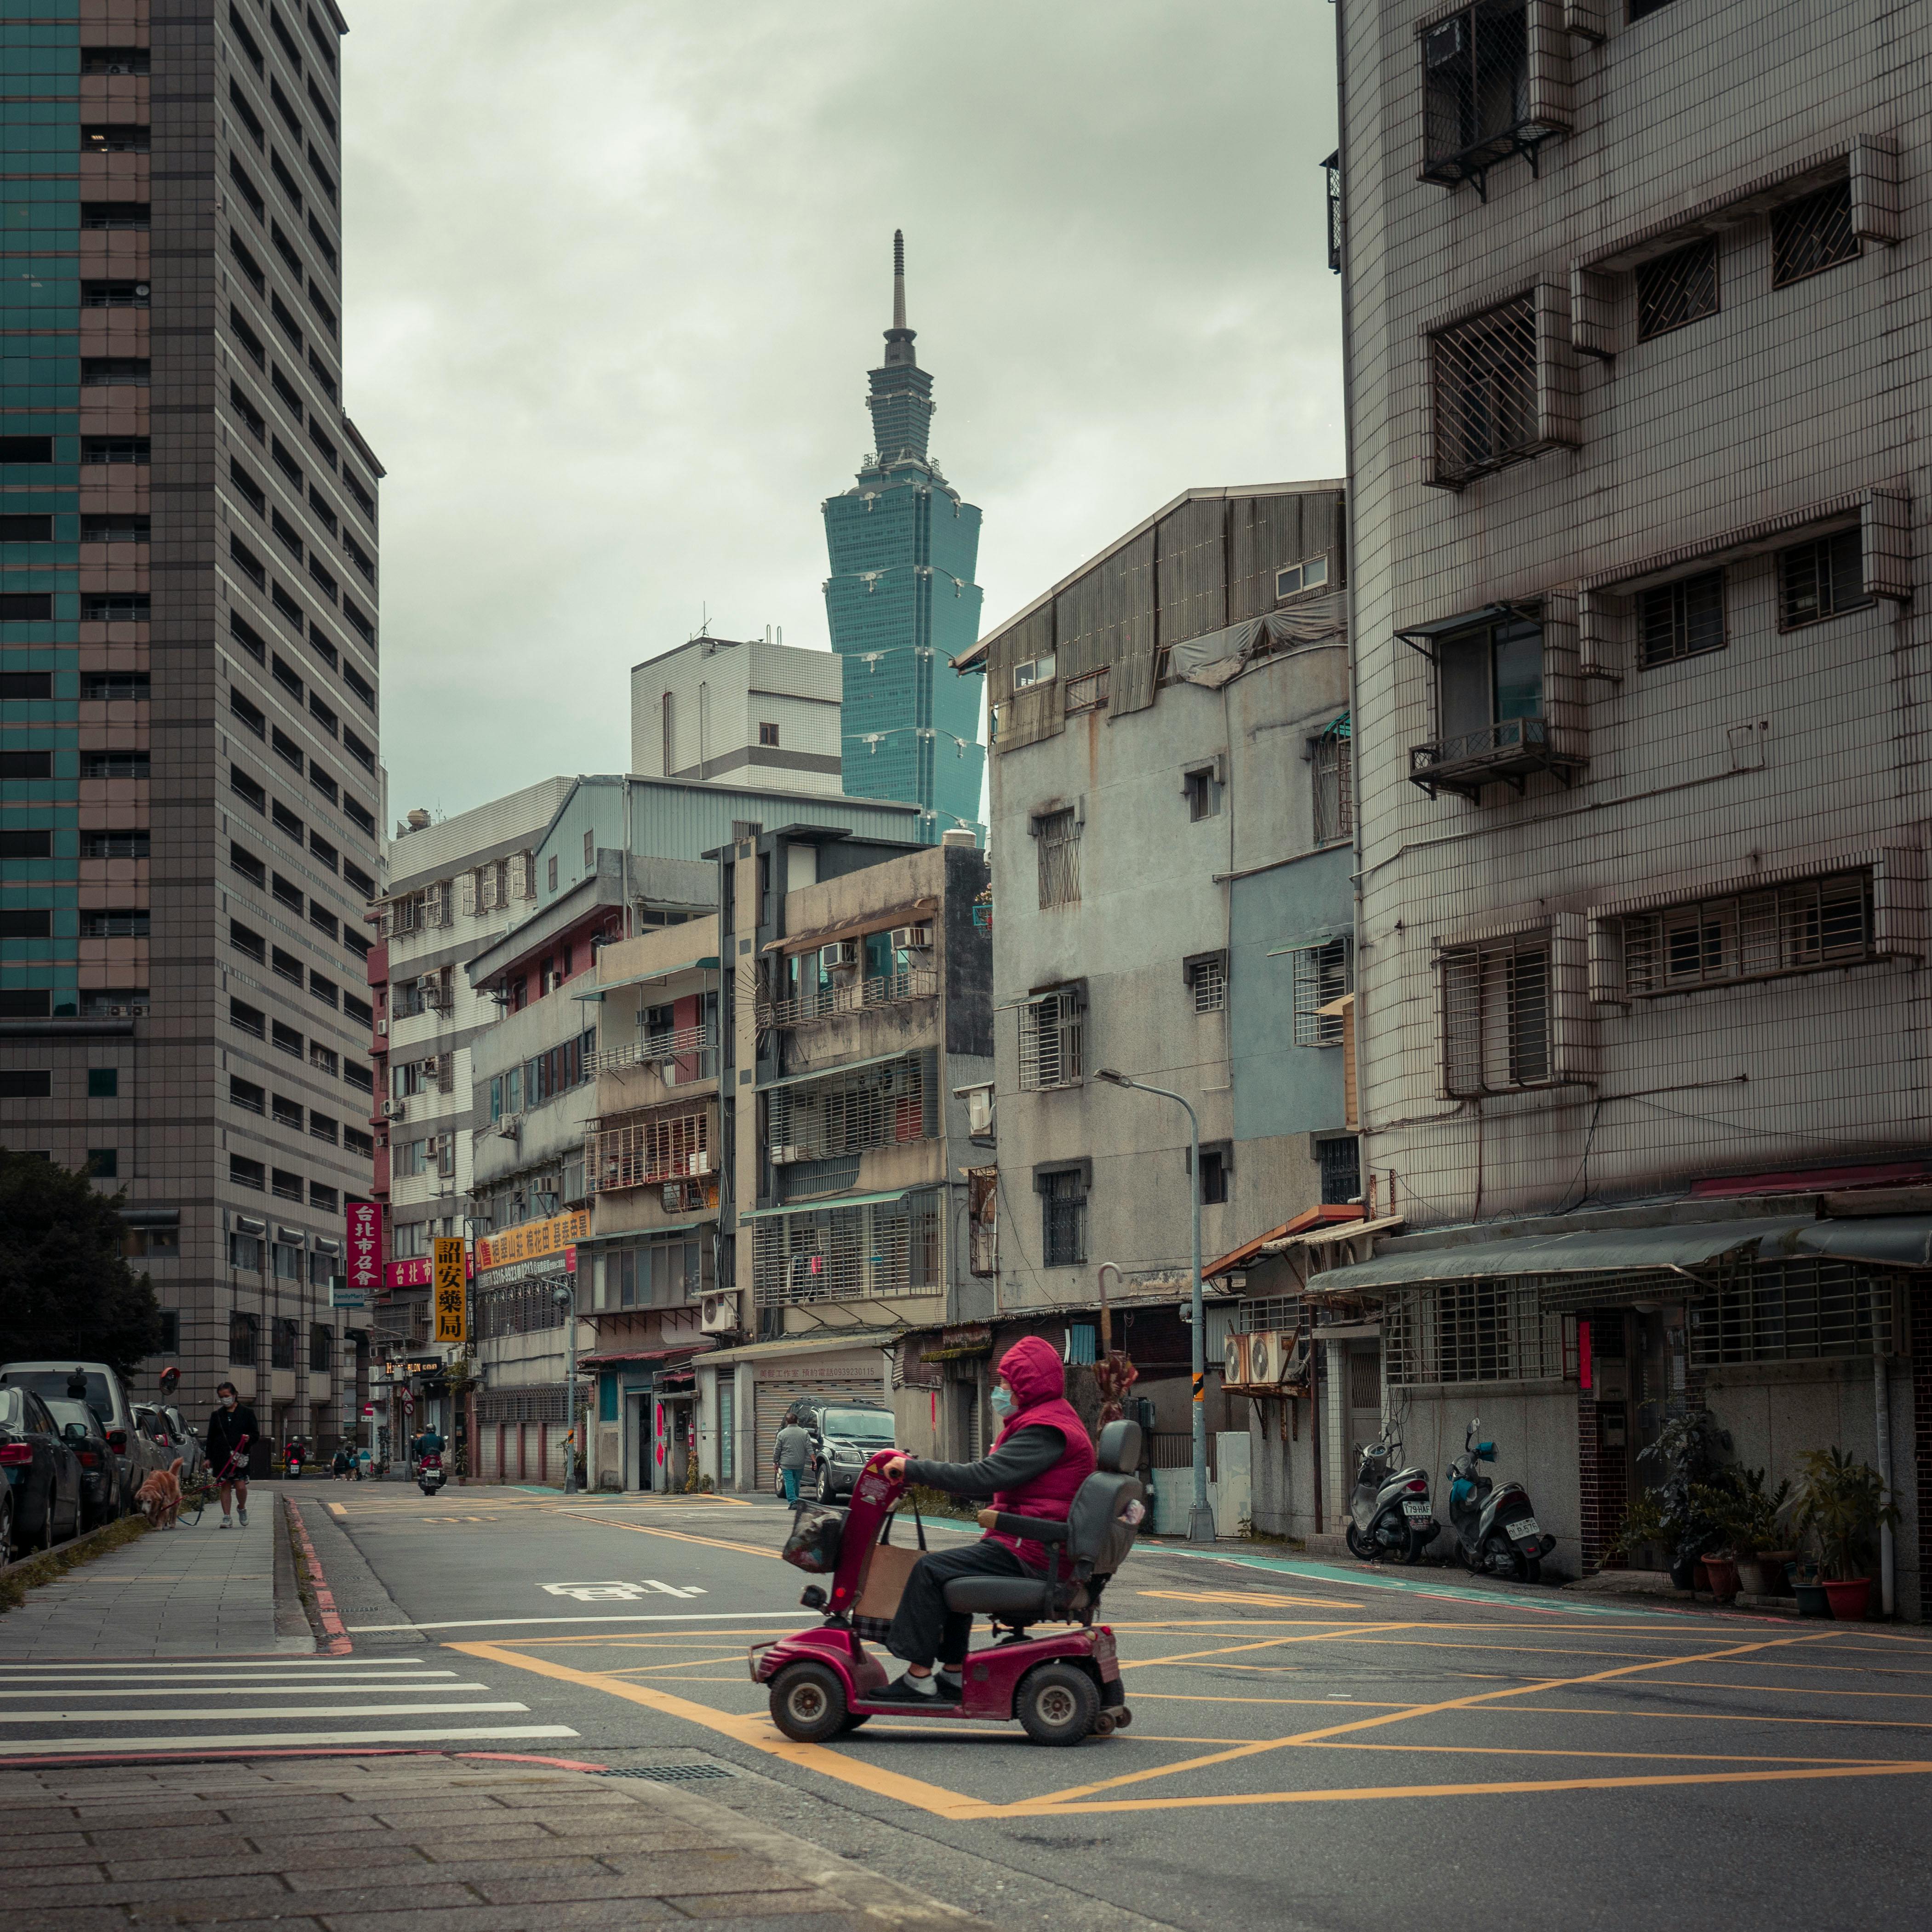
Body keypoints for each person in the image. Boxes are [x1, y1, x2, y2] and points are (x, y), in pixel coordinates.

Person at [872, 1336, 1097, 1703]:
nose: (1000, 1390)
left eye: (1007, 1383)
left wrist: (915, 1470)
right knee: (953, 1572)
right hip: (1032, 1547)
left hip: (1033, 1553)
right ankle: (954, 1674)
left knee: (930, 1570)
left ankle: (918, 1678)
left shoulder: (1045, 1431)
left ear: (1028, 1385)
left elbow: (984, 1478)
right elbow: (988, 1483)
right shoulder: (1048, 1420)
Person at [206, 1382, 259, 1529]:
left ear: (235, 1395)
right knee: (225, 1486)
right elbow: (211, 1438)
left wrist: (249, 1438)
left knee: (241, 1487)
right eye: (222, 1397)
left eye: (227, 1396)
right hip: (221, 1457)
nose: (225, 1399)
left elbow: (256, 1434)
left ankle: (242, 1508)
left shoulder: (248, 1413)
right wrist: (208, 1458)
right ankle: (227, 1517)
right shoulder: (216, 1415)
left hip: (240, 1457)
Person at [772, 1408, 812, 1504]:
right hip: (800, 1463)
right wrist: (813, 1461)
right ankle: (796, 1499)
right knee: (797, 1482)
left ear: (787, 1421)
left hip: (786, 1463)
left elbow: (777, 1450)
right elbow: (809, 1448)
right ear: (797, 1421)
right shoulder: (804, 1433)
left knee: (789, 1482)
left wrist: (775, 1462)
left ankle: (793, 1501)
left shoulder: (782, 1434)